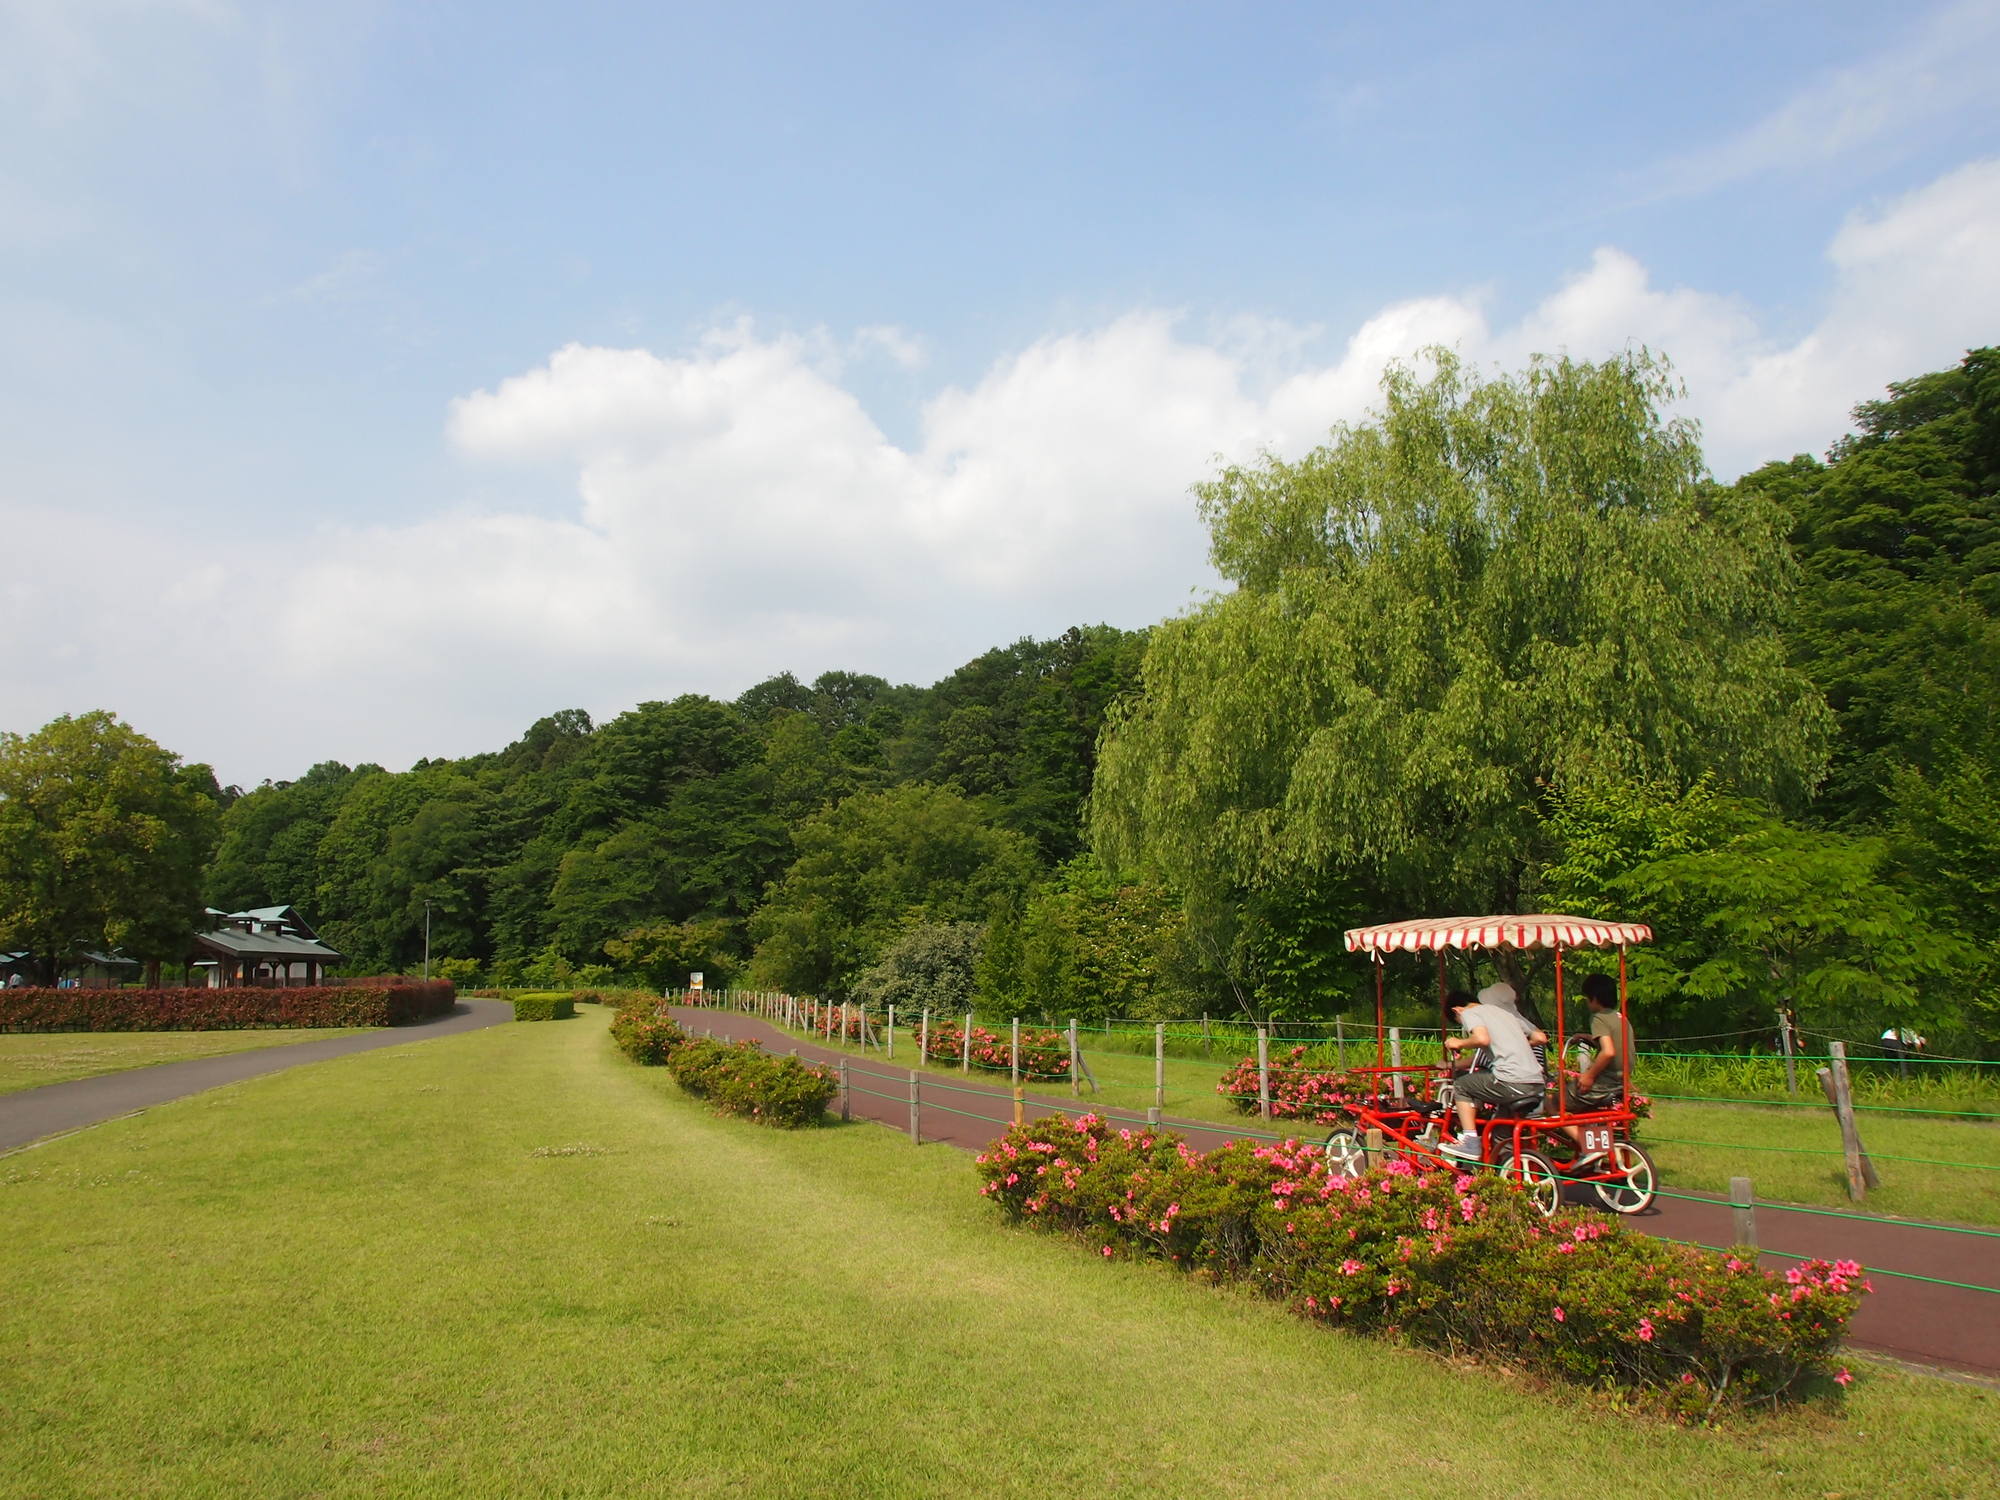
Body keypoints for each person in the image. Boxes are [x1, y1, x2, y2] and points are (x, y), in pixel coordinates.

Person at [1440, 984, 1548, 1161]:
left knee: (1461, 1085)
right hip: (1536, 1082)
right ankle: (1506, 1168)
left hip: (1511, 1081)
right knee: (1500, 1133)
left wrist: (1458, 1042)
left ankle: (1470, 1141)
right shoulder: (1506, 1013)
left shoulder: (1468, 1013)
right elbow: (1540, 1037)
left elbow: (1482, 1039)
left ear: (1457, 1010)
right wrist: (1514, 1046)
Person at [1560, 974, 1633, 1160]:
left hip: (1605, 1081)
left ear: (1593, 998)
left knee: (1555, 1105)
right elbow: (1614, 1043)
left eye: (1587, 997)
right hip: (1621, 1080)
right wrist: (1586, 1037)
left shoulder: (1598, 1018)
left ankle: (1588, 1148)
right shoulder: (1620, 1018)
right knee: (1585, 1109)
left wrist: (1589, 1076)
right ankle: (1593, 1145)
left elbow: (1608, 1051)